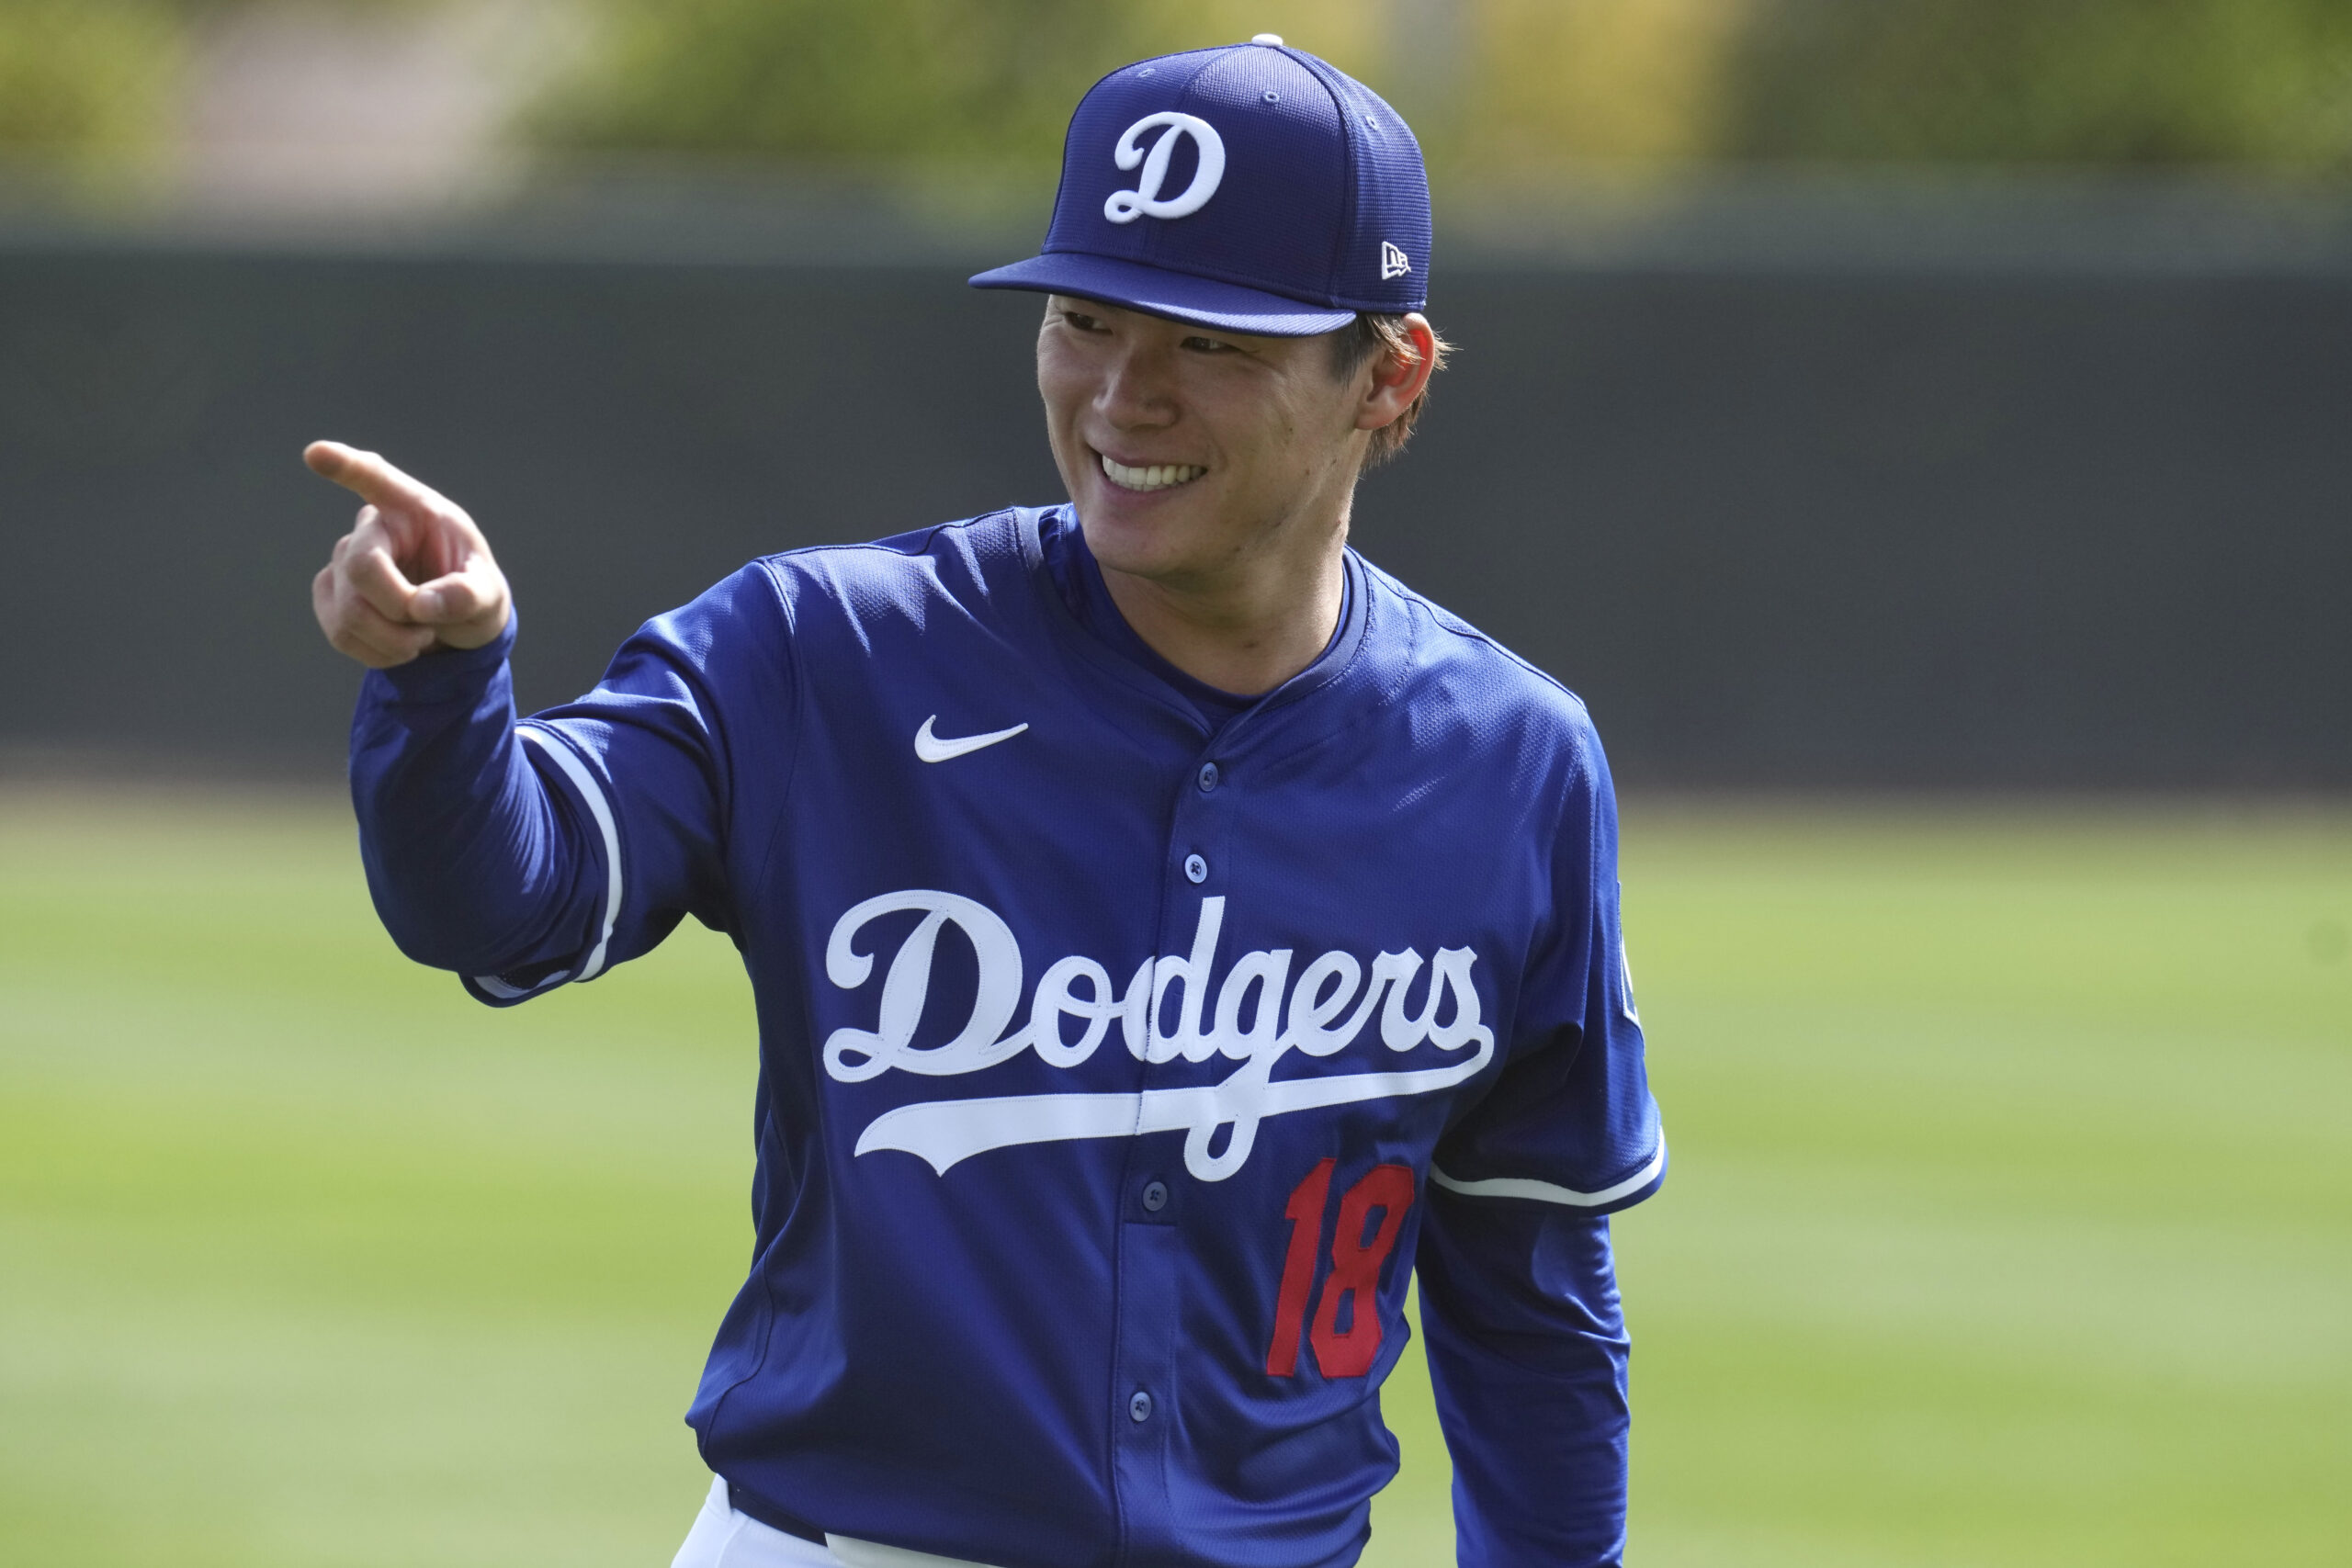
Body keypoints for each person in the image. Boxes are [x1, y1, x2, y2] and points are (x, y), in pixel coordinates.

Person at [307, 35, 1663, 1568]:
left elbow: (1532, 1295)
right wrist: (445, 690)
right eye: (1085, 320)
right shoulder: (825, 651)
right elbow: (504, 902)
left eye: (1211, 342)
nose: (1123, 396)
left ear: (1389, 372)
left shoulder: (1511, 762)